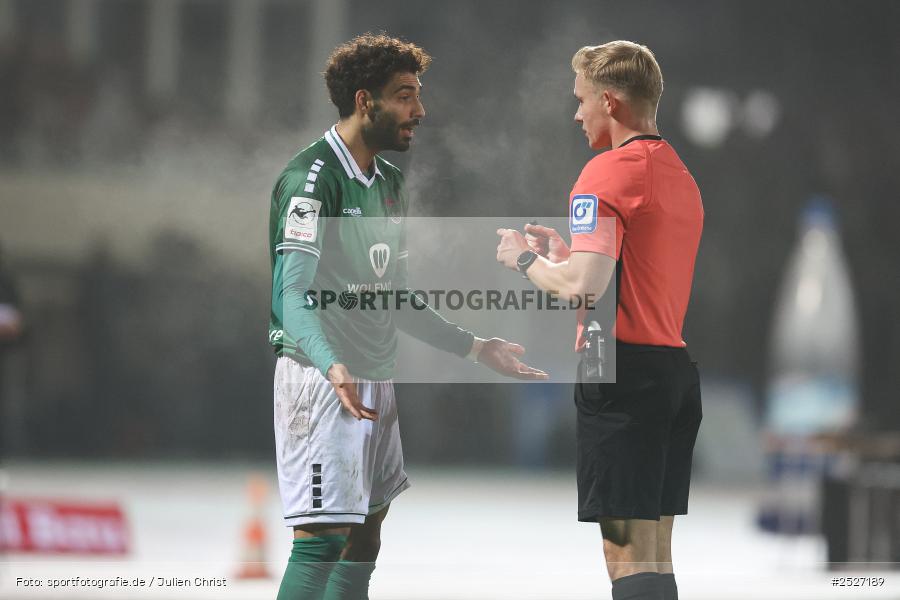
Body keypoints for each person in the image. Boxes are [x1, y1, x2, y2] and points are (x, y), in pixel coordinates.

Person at [269, 33, 547, 600]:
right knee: (322, 539)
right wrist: (330, 364)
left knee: (367, 531)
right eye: (405, 96)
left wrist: (474, 347)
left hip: (371, 376)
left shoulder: (390, 184)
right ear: (365, 101)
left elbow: (390, 294)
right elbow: (292, 293)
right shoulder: (311, 182)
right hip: (322, 380)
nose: (419, 110)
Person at [496, 41, 703, 600]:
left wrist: (524, 258)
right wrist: (569, 254)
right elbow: (625, 273)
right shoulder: (680, 176)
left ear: (609, 101)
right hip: (673, 374)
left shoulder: (604, 173)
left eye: (582, 99)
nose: (577, 112)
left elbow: (582, 286)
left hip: (621, 375)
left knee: (625, 554)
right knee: (655, 550)